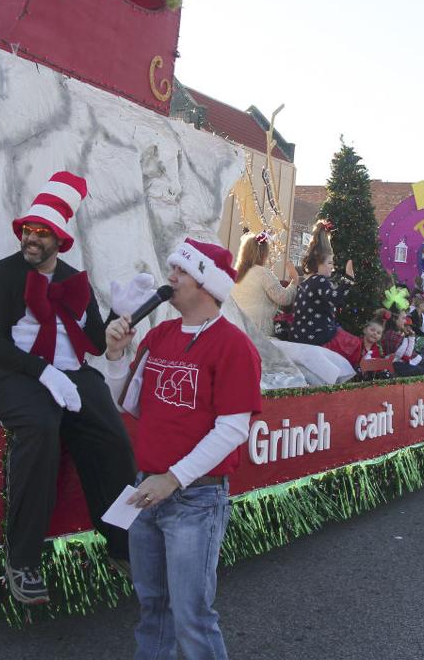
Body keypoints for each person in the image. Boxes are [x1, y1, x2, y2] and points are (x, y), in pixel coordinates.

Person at [0, 172, 136, 605]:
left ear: (61, 240)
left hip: (72, 372)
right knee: (42, 430)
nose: (31, 237)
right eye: (28, 229)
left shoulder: (75, 281)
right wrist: (42, 373)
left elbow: (98, 343)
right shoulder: (1, 277)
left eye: (42, 232)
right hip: (14, 371)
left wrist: (117, 337)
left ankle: (122, 545)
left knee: (115, 439)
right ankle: (22, 558)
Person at [103, 237, 261, 659]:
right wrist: (116, 356)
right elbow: (126, 401)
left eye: (181, 271)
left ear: (206, 284)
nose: (170, 277)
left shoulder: (234, 346)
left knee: (191, 613)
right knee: (153, 606)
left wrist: (173, 478)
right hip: (146, 492)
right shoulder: (160, 333)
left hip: (195, 498)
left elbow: (232, 430)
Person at [287, 221, 361, 368]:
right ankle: (356, 376)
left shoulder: (307, 281)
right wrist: (348, 279)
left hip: (300, 334)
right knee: (355, 344)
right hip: (316, 335)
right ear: (318, 262)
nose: (332, 268)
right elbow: (336, 299)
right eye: (330, 263)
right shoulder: (320, 281)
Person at [230, 231, 297, 337]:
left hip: (237, 328)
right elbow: (284, 298)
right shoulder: (262, 273)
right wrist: (295, 280)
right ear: (263, 254)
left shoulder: (236, 274)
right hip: (258, 332)